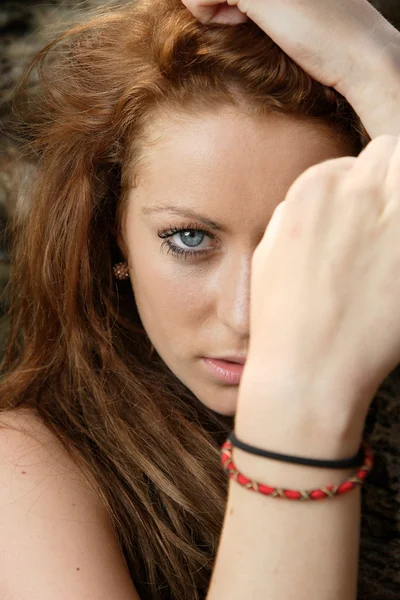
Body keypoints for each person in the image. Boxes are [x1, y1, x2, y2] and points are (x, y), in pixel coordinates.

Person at [0, 0, 399, 598]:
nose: (244, 314)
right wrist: (302, 404)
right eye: (190, 238)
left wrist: (377, 63)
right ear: (113, 234)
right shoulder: (26, 471)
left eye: (294, 241)